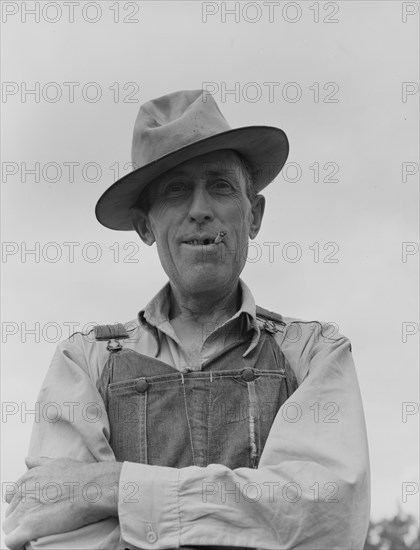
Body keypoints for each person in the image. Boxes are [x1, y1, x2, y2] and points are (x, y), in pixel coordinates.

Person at [3, 89, 370, 550]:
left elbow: (325, 517)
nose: (200, 208)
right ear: (145, 226)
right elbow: (53, 529)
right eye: (176, 190)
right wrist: (255, 515)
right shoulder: (84, 361)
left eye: (220, 185)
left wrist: (112, 486)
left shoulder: (315, 352)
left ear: (253, 215)